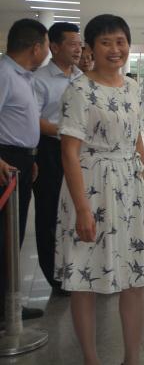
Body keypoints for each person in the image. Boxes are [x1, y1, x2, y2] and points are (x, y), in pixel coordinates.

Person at [54, 14, 144, 365]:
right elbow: (69, 152)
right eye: (106, 42)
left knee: (134, 278)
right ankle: (91, 359)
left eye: (121, 41)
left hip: (128, 189)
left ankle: (132, 358)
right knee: (85, 277)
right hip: (92, 187)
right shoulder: (79, 90)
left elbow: (136, 135)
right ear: (91, 48)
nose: (115, 49)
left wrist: (140, 177)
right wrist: (82, 209)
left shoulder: (133, 87)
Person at [0, 18, 49, 322]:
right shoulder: (4, 74)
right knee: (3, 236)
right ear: (36, 47)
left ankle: (8, 305)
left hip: (21, 160)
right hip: (5, 161)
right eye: (46, 45)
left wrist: (31, 158)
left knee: (13, 235)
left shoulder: (24, 76)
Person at [32, 22, 83, 297]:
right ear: (54, 46)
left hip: (80, 152)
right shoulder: (38, 80)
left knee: (78, 209)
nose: (78, 49)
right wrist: (65, 131)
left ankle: (78, 270)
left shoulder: (81, 77)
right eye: (72, 44)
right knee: (50, 213)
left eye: (79, 44)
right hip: (50, 150)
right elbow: (32, 120)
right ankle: (55, 276)